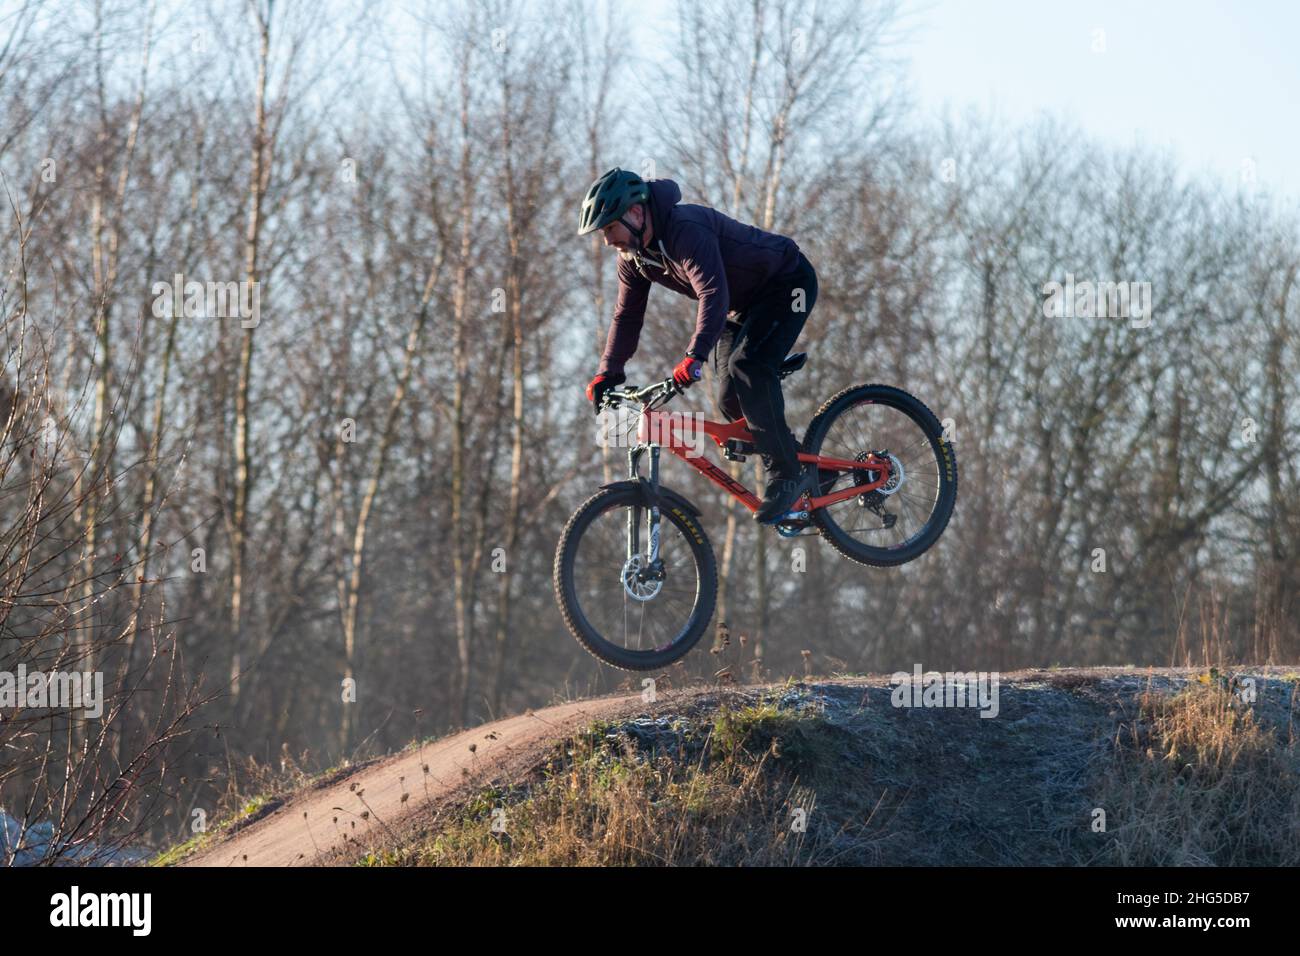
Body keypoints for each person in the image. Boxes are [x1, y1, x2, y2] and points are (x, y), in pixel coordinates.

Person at [578, 166, 820, 524]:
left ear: (634, 212)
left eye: (609, 228)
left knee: (748, 366)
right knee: (730, 402)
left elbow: (712, 293)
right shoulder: (634, 260)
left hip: (786, 284)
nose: (606, 240)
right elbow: (627, 316)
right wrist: (607, 373)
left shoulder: (684, 229)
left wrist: (694, 355)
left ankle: (787, 476)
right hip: (740, 308)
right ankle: (812, 471)